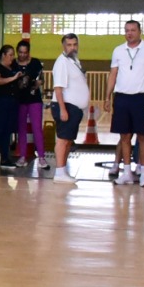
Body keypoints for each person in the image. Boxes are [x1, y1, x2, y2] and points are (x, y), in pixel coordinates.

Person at [107, 20, 144, 185]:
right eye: (126, 30)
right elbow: (112, 75)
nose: (129, 33)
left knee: (142, 136)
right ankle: (126, 172)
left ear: (140, 31)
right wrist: (107, 96)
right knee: (124, 136)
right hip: (122, 97)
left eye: (133, 30)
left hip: (141, 98)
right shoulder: (118, 50)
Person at [50, 33, 89, 183]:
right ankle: (59, 172)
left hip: (74, 107)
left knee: (68, 141)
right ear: (63, 46)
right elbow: (58, 88)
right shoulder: (62, 62)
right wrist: (62, 109)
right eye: (69, 45)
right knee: (62, 140)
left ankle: (63, 170)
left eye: (75, 44)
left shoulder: (73, 61)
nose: (72, 47)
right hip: (66, 106)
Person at [0, 45, 23, 172]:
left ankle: (5, 158)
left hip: (12, 102)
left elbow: (19, 82)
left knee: (8, 130)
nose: (13, 58)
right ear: (3, 55)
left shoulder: (14, 67)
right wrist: (13, 78)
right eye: (10, 54)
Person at [14, 40, 47, 169]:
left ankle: (42, 157)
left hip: (34, 99)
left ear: (29, 52)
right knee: (21, 129)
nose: (22, 55)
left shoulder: (35, 63)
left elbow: (41, 79)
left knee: (37, 128)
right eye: (20, 52)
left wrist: (38, 83)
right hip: (20, 100)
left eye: (25, 53)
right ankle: (22, 156)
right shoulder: (14, 64)